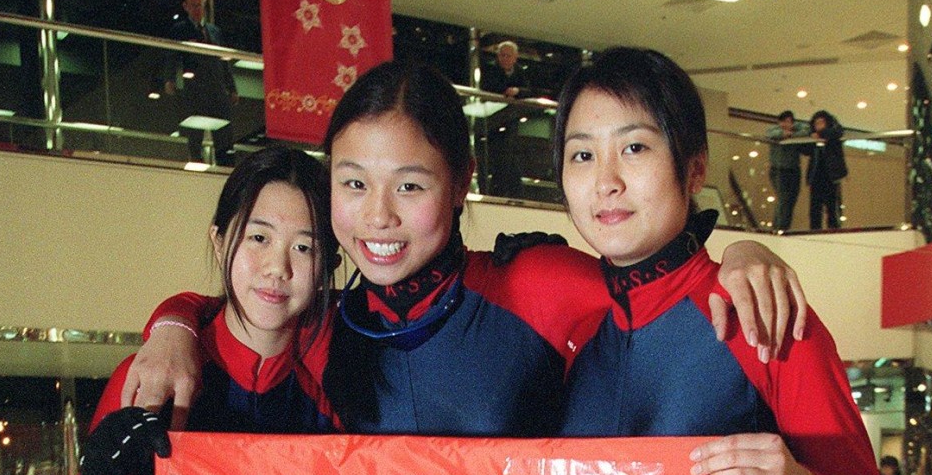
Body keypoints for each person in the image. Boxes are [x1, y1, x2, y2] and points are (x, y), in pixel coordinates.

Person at [125, 60, 809, 437]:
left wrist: (744, 252)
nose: (378, 217)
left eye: (411, 186)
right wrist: (173, 323)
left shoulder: (535, 282)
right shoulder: (328, 324)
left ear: (460, 186)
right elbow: (232, 312)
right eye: (353, 183)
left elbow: (661, 293)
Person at [552, 47, 902, 475]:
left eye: (635, 147)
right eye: (582, 154)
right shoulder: (567, 326)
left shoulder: (761, 317)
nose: (606, 179)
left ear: (693, 168)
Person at [49, 146, 339, 475]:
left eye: (304, 248)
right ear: (220, 239)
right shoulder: (155, 375)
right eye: (258, 238)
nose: (277, 268)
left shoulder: (325, 407)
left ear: (326, 264)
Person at [164, 0, 238, 167]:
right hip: (195, 89)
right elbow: (172, 56)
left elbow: (223, 61)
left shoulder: (214, 31)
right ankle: (196, 162)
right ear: (186, 6)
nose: (197, 9)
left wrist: (232, 87)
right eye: (194, 6)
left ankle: (226, 166)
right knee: (194, 134)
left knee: (224, 132)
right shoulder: (180, 30)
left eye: (200, 6)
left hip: (217, 88)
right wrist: (169, 78)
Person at [479, 40, 531, 197]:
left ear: (515, 57)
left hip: (512, 120)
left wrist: (517, 91)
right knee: (495, 157)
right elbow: (486, 88)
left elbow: (529, 91)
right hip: (493, 120)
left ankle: (514, 193)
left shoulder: (520, 72)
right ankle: (494, 192)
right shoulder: (490, 69)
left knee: (510, 157)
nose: (505, 58)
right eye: (502, 55)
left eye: (508, 55)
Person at [803, 109, 847, 230]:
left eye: (822, 122)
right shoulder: (812, 137)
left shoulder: (833, 133)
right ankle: (814, 232)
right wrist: (812, 138)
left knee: (832, 207)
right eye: (817, 123)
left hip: (831, 176)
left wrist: (821, 134)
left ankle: (834, 230)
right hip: (816, 176)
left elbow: (838, 132)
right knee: (815, 209)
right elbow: (804, 149)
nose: (819, 126)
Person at [766, 110, 809, 231]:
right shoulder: (773, 130)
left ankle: (785, 227)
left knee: (792, 200)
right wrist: (784, 133)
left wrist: (790, 133)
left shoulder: (795, 131)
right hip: (778, 170)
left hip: (794, 170)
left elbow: (806, 129)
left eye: (790, 122)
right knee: (783, 198)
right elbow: (770, 134)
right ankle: (777, 226)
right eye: (784, 121)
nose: (787, 124)